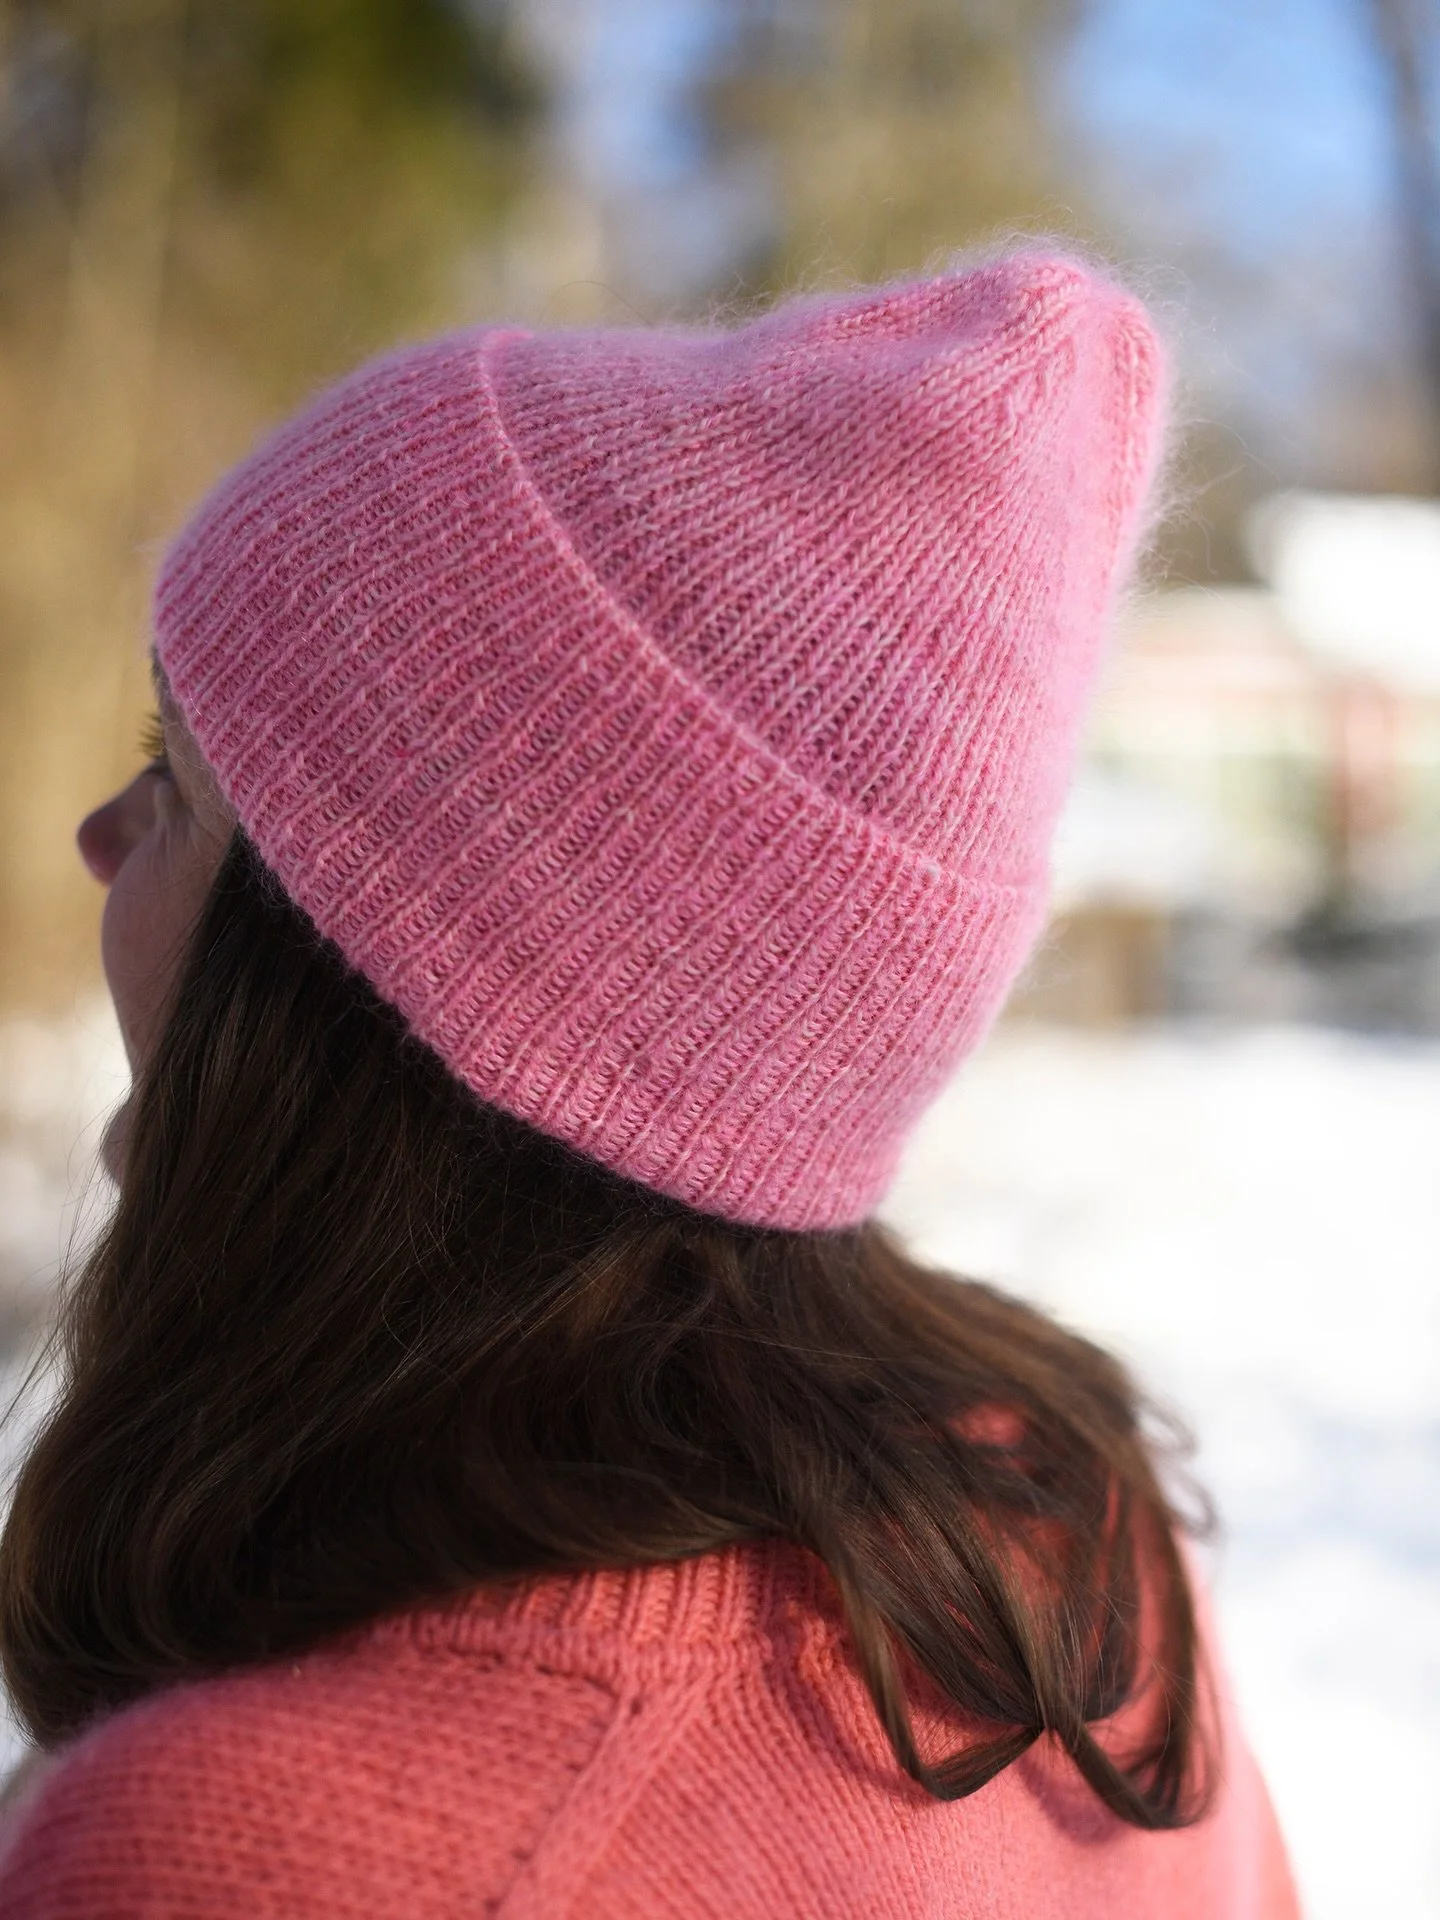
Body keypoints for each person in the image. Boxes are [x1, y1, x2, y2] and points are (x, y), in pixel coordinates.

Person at [0, 250, 1298, 1916]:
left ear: (396, 985)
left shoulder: (266, 1857)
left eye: (176, 780)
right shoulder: (1066, 1551)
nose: (99, 842)